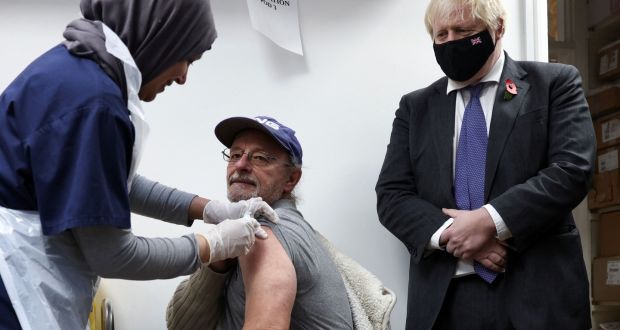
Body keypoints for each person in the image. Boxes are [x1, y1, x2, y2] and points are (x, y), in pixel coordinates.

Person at [0, 1, 278, 329]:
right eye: (187, 57)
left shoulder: (75, 68)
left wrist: (208, 209)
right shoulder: (94, 102)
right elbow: (114, 255)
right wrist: (211, 244)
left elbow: (107, 183)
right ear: (162, 35)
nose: (183, 77)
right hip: (14, 287)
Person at [375, 0, 595, 329]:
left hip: (539, 294)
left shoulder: (554, 84)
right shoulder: (415, 108)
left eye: (464, 31)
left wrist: (489, 222)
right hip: (444, 302)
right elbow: (392, 195)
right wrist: (456, 234)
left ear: (499, 28)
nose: (451, 41)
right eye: (441, 34)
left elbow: (572, 168)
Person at [166, 116, 355, 330]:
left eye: (260, 158)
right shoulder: (240, 230)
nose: (241, 164)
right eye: (235, 155)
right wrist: (217, 263)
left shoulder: (266, 231)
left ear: (291, 179)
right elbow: (181, 325)